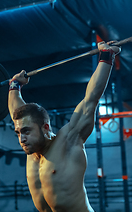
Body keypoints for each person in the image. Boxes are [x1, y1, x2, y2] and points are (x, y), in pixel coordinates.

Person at [8, 41, 121, 212]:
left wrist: (106, 55)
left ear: (45, 127)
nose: (21, 138)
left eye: (26, 131)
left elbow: (91, 99)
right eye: (18, 133)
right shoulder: (32, 148)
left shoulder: (69, 141)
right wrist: (14, 85)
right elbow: (15, 109)